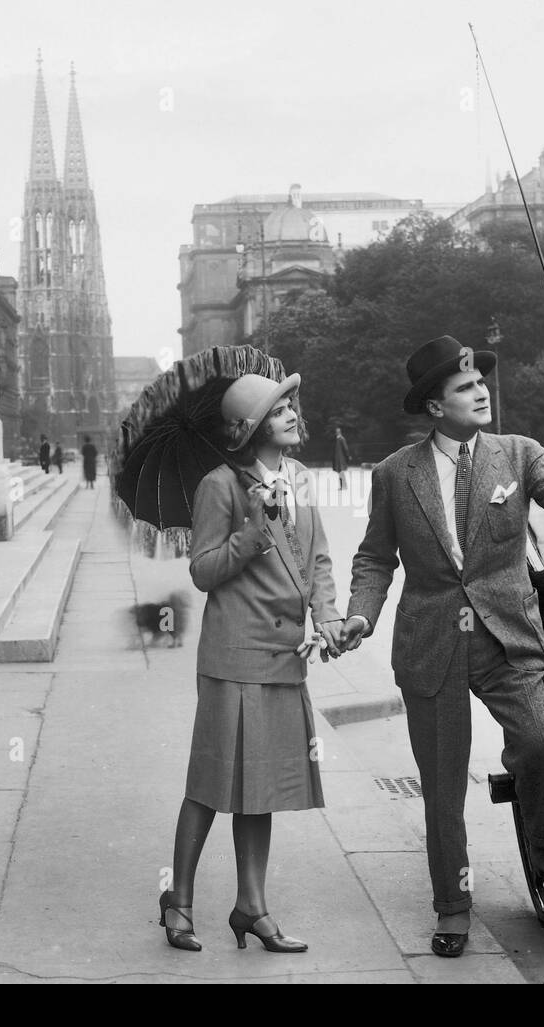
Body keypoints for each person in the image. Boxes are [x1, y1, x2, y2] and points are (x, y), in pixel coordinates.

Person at [338, 335, 544, 958]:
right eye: (463, 386)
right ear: (433, 407)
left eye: (480, 380)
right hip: (432, 645)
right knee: (445, 785)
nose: (480, 391)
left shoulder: (518, 454)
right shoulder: (395, 475)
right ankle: (452, 906)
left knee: (537, 743)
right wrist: (359, 616)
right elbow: (375, 556)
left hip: (510, 637)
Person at [160, 372, 345, 954]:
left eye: (291, 404)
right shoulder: (221, 486)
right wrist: (253, 530)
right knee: (212, 781)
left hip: (284, 655)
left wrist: (329, 618)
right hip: (234, 656)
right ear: (247, 429)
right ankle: (179, 901)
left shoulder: (301, 478)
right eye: (276, 409)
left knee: (259, 787)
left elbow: (317, 558)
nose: (292, 413)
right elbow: (202, 571)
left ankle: (251, 906)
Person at [332, 425, 351, 491]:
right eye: (336, 432)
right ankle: (343, 486)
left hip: (341, 460)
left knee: (341, 472)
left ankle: (343, 486)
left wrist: (348, 456)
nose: (337, 433)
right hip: (338, 459)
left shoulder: (341, 439)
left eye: (338, 432)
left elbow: (346, 449)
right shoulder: (337, 439)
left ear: (340, 432)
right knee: (340, 472)